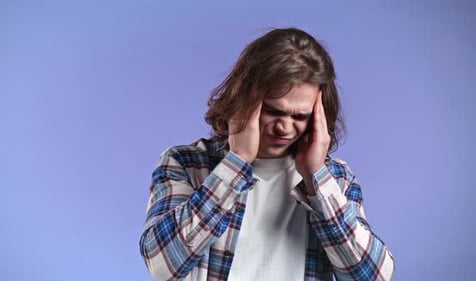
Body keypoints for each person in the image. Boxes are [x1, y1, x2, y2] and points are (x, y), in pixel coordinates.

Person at [139, 27, 395, 281]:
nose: (284, 127)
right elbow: (163, 266)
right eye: (274, 111)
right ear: (244, 100)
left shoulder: (336, 179)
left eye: (299, 116)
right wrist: (236, 163)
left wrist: (316, 177)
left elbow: (374, 277)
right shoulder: (185, 163)